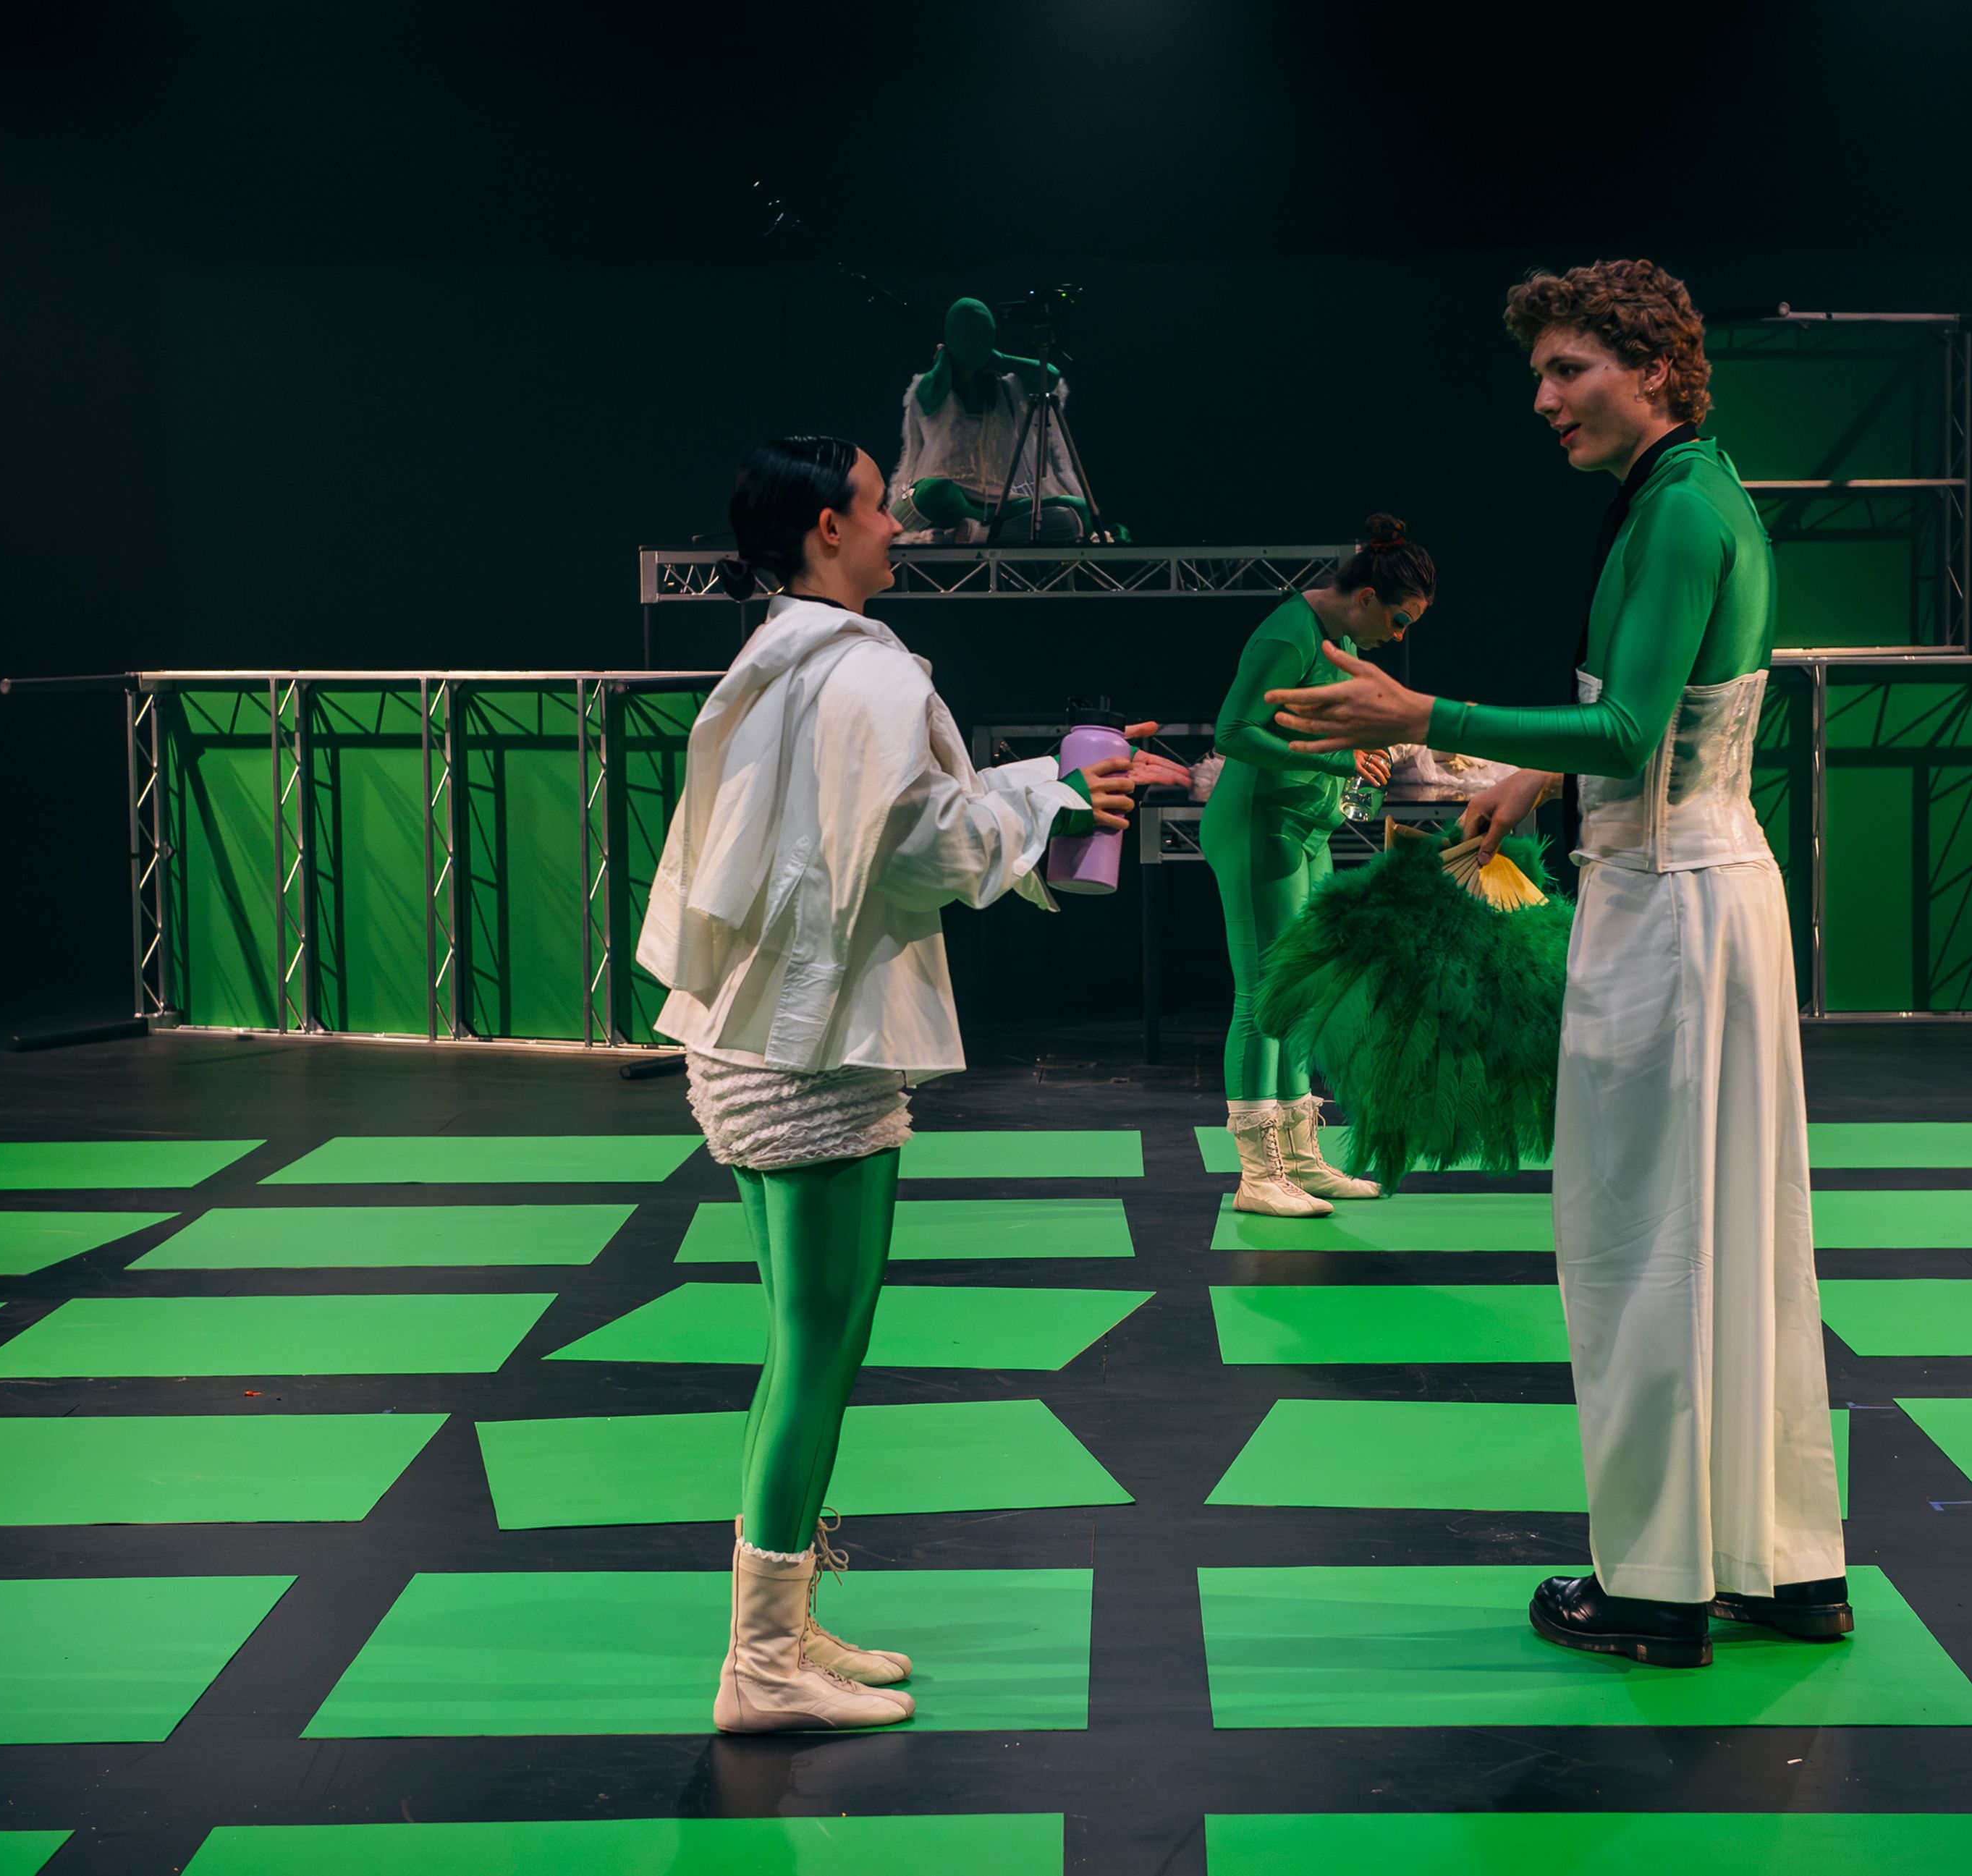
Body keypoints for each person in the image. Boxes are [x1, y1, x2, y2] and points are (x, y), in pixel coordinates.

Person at [1266, 261, 1847, 1669]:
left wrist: (1430, 710)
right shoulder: (1699, 492)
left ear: (1652, 366)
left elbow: (1637, 725)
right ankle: (1780, 1567)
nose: (1543, 398)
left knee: (1643, 1243)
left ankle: (1651, 1586)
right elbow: (1679, 722)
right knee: (1740, 1245)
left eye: (1568, 367)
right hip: (1709, 888)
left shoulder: (1675, 512)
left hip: (1672, 909)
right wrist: (1527, 781)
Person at [638, 434, 1185, 1731]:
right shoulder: (863, 673)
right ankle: (760, 1660)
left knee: (797, 1349)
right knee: (820, 1351)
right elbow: (919, 842)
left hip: (749, 1032)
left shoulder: (773, 661)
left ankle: (783, 1624)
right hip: (813, 1045)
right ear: (830, 525)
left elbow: (875, 825)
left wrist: (1048, 785)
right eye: (884, 509)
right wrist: (1059, 791)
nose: (903, 530)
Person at [1204, 517, 1434, 1215]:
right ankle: (1256, 1173)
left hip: (1305, 826)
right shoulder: (1289, 633)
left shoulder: (1335, 640)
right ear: (1365, 595)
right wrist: (1337, 759)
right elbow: (1233, 733)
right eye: (1397, 619)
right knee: (1265, 996)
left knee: (1305, 994)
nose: (1399, 636)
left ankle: (1299, 1158)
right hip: (1258, 829)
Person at [888, 297, 1092, 542]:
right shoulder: (932, 387)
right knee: (936, 491)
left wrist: (1000, 359)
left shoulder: (1007, 388)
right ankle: (977, 526)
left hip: (999, 501)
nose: (976, 342)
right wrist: (946, 355)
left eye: (983, 336)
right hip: (946, 496)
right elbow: (936, 385)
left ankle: (977, 531)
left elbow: (1051, 375)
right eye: (968, 335)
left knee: (1079, 508)